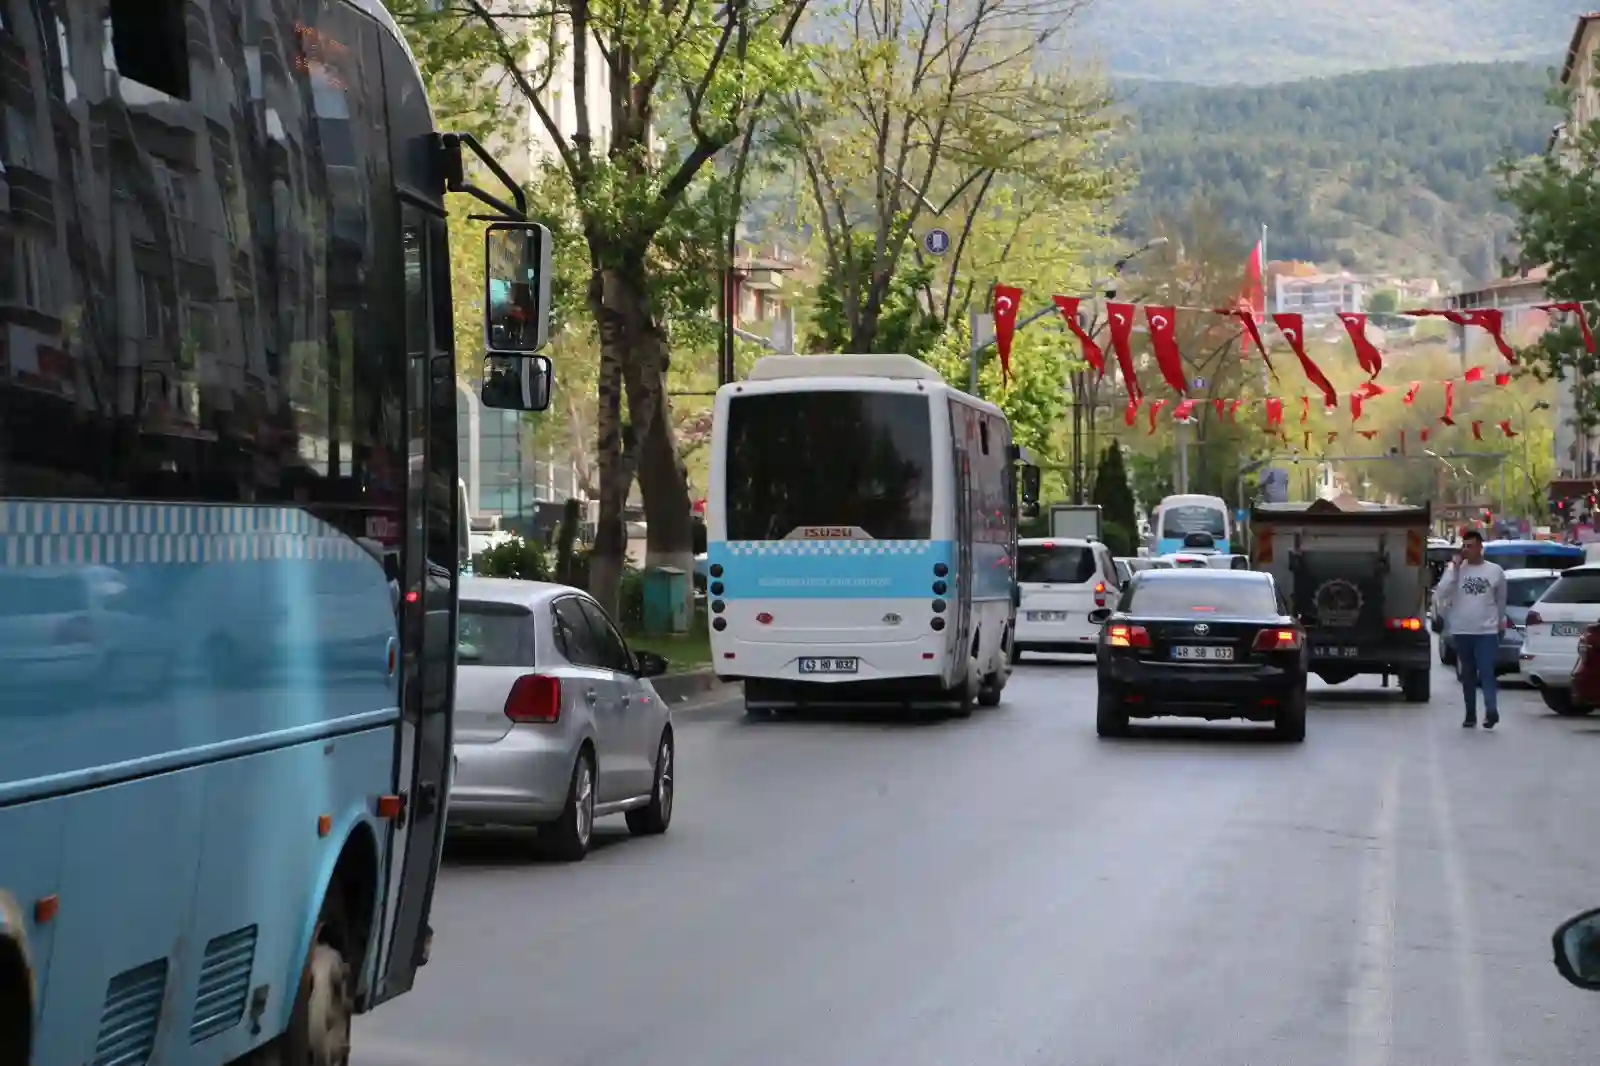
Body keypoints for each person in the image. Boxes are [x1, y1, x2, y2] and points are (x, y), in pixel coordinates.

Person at [1434, 530, 1507, 728]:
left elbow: (1501, 601)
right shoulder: (1455, 570)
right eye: (1464, 546)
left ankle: (1491, 711)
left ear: (1480, 547)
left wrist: (1500, 622)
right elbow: (1441, 592)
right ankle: (1470, 714)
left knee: (1486, 672)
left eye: (1471, 546)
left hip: (1486, 631)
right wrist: (1455, 570)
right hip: (1462, 630)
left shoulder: (1495, 571)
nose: (1467, 550)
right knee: (1468, 674)